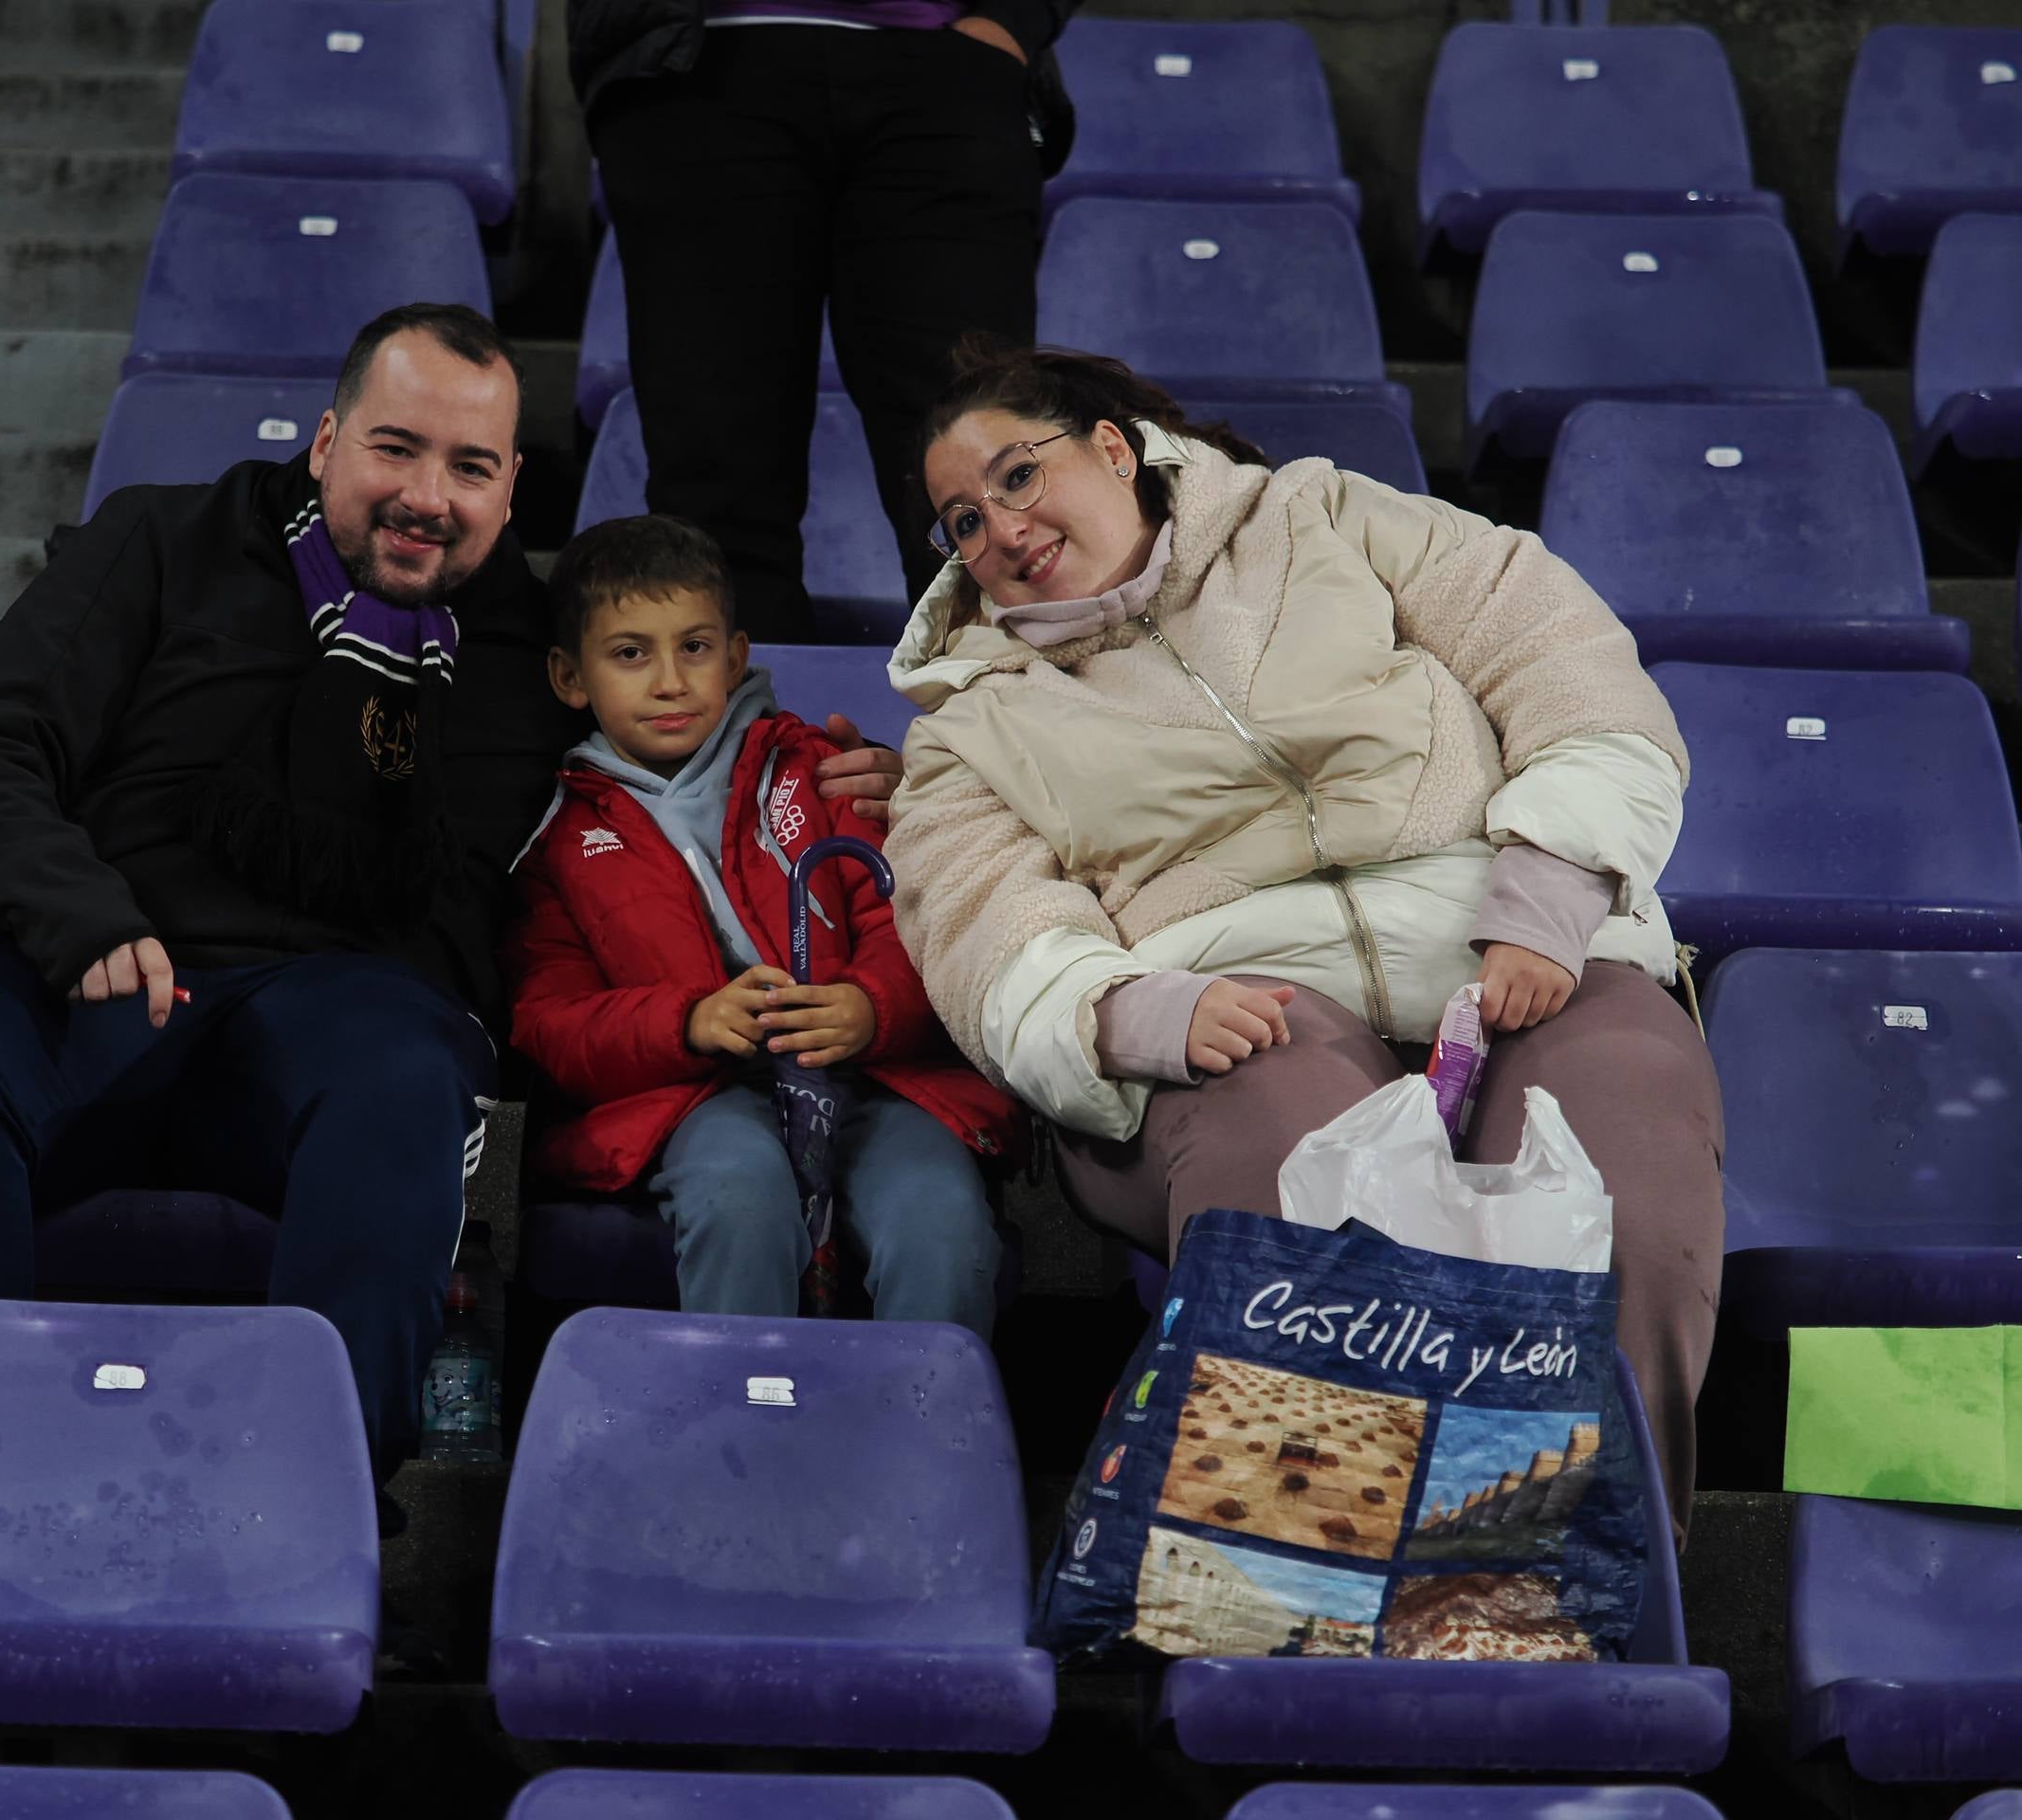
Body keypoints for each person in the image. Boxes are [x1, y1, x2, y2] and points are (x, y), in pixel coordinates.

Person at [0, 304, 905, 1483]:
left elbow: (688, 753)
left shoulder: (525, 647)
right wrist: (78, 913)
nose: (427, 496)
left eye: (471, 468)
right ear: (327, 440)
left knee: (402, 1076)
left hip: (337, 1010)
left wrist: (862, 774)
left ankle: (316, 1498)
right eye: (396, 449)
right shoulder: (161, 543)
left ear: (508, 498)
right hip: (88, 971)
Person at [883, 341, 1724, 1538]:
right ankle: (1306, 1611)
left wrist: (1547, 890)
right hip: (1230, 1001)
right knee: (1295, 1165)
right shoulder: (967, 721)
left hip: (1512, 941)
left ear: (1113, 447)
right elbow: (984, 935)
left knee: (1623, 1174)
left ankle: (1586, 1584)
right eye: (961, 521)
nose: (999, 529)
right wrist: (1138, 1012)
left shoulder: (1325, 514)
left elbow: (1563, 659)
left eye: (1017, 477)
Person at [506, 516, 1017, 1334]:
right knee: (738, 1197)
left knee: (938, 1216)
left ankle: (918, 1448)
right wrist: (688, 1021)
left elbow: (922, 931)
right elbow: (551, 1023)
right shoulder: (559, 839)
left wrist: (871, 1007)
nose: (670, 681)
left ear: (737, 656)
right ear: (570, 676)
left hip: (871, 1080)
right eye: (630, 653)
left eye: (696, 647)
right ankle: (746, 1441)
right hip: (695, 1096)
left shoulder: (824, 772)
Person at [571, 0, 1078, 638]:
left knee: (983, 469)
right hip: (694, 66)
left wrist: (1011, 22)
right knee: (715, 490)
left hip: (948, 68)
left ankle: (993, 729)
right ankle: (737, 738)